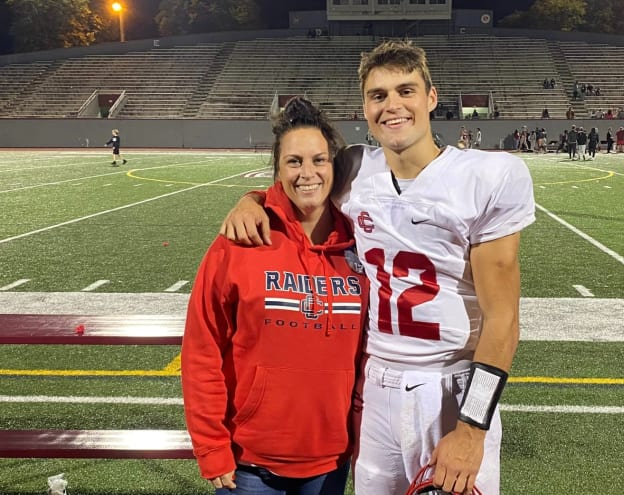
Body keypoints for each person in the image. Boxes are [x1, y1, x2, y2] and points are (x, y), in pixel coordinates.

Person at [220, 40, 535, 495]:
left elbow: (503, 320)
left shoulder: (486, 176)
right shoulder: (353, 169)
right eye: (379, 95)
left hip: (449, 385)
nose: (393, 106)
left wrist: (472, 430)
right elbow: (301, 183)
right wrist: (252, 200)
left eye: (406, 91)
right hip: (376, 389)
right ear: (365, 107)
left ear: (431, 97)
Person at [182, 96, 369, 495]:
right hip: (250, 466)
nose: (308, 173)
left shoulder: (363, 242)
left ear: (333, 166)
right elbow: (202, 349)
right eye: (294, 162)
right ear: (278, 169)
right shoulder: (241, 239)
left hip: (330, 462)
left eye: (319, 160)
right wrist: (211, 447)